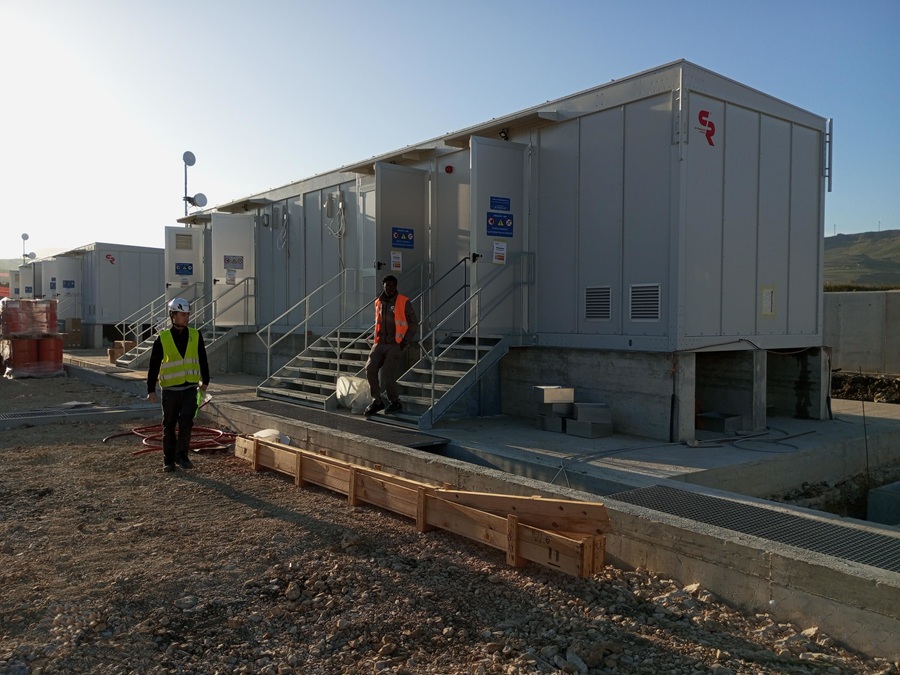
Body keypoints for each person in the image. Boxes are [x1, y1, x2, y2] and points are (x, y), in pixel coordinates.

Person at [146, 297, 210, 472]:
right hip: (170, 390)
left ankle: (182, 456)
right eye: (183, 314)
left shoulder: (196, 335)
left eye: (187, 314)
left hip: (190, 388)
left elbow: (203, 359)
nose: (186, 317)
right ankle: (168, 460)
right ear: (173, 316)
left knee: (186, 422)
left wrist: (206, 380)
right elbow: (154, 364)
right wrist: (151, 389)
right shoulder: (163, 338)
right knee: (169, 424)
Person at [365, 275, 418, 416]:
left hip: (395, 344)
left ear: (396, 286)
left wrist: (404, 342)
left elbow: (413, 324)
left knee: (388, 372)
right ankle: (377, 401)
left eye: (393, 286)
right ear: (383, 287)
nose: (390, 288)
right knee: (370, 369)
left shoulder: (404, 301)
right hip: (380, 343)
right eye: (387, 286)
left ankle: (395, 402)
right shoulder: (378, 302)